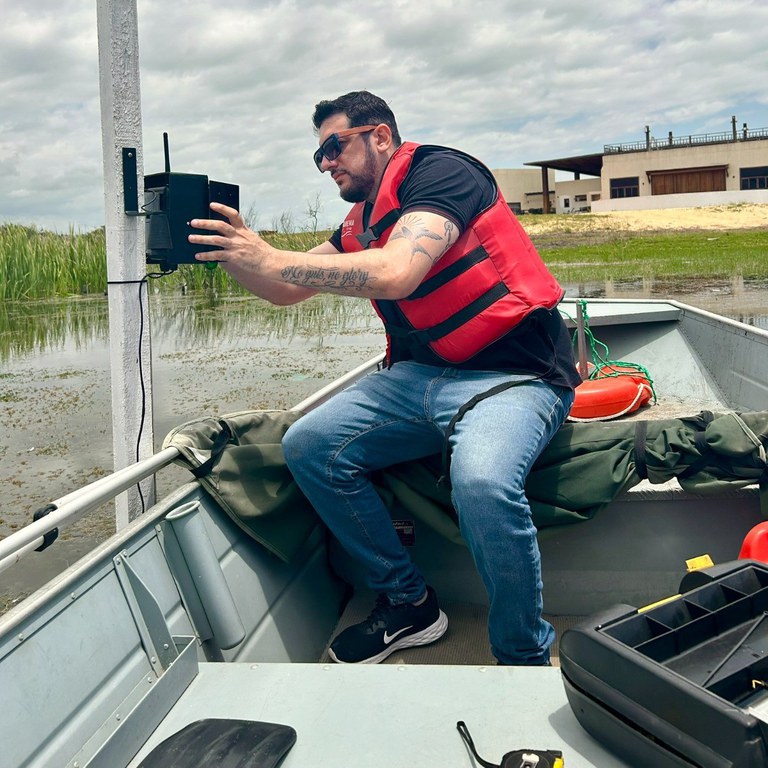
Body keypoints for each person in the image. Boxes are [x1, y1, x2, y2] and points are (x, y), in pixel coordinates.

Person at [189, 90, 581, 666]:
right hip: (421, 377)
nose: (326, 163)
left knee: (481, 483)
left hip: (516, 376)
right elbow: (285, 291)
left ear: (379, 136)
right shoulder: (361, 220)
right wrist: (232, 252)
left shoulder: (443, 175)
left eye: (334, 146)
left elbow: (398, 271)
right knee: (311, 446)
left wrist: (269, 255)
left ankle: (522, 654)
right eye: (318, 155)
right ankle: (409, 603)